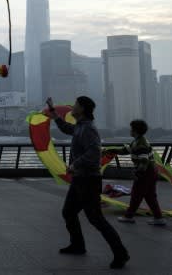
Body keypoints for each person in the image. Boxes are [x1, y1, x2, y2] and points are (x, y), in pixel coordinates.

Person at [46, 96, 130, 269]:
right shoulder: (80, 127)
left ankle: (121, 253)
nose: (72, 108)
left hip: (89, 180)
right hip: (80, 179)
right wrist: (53, 112)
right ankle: (78, 245)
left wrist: (74, 164)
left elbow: (94, 154)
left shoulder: (89, 129)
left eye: (75, 105)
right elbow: (66, 128)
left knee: (96, 218)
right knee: (69, 212)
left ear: (82, 109)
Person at [105, 119, 166, 226]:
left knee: (136, 194)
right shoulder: (137, 141)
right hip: (151, 171)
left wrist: (138, 173)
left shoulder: (141, 143)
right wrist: (110, 150)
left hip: (146, 173)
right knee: (150, 196)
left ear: (135, 130)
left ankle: (129, 216)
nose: (130, 130)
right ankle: (158, 218)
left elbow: (144, 161)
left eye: (131, 129)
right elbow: (125, 150)